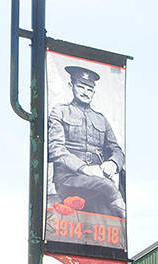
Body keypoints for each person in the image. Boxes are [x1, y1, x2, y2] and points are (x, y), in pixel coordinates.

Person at [47, 65, 126, 218]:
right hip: (68, 179)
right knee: (108, 187)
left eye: (89, 89)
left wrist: (113, 163)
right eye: (81, 87)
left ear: (94, 92)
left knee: (105, 212)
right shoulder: (60, 111)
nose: (85, 92)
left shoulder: (101, 119)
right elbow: (55, 148)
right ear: (71, 86)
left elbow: (116, 150)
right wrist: (84, 168)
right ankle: (126, 215)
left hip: (96, 180)